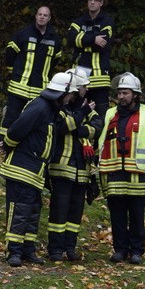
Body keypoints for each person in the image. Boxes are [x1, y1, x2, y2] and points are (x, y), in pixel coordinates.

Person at [0, 71, 78, 266]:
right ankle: (14, 252)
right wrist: (8, 146)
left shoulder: (52, 109)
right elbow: (15, 131)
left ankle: (28, 250)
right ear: (62, 92)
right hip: (22, 169)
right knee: (19, 211)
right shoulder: (39, 107)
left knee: (33, 211)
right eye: (70, 95)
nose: (70, 99)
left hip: (36, 171)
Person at [96, 72, 145, 265]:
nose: (121, 97)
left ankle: (136, 251)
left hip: (139, 174)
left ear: (135, 94)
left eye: (125, 93)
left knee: (136, 215)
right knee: (117, 215)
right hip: (114, 172)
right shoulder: (110, 114)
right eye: (119, 93)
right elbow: (100, 142)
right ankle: (120, 250)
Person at [47, 67, 99, 261]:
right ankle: (55, 250)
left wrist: (81, 130)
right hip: (62, 169)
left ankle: (70, 248)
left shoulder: (87, 108)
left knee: (76, 213)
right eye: (84, 87)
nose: (87, 90)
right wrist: (81, 117)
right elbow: (61, 128)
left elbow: (98, 126)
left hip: (82, 170)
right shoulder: (62, 108)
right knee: (58, 213)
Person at [0, 6, 63, 142]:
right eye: (39, 14)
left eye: (45, 15)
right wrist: (14, 70)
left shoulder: (54, 39)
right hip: (19, 84)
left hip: (39, 88)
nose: (42, 17)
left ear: (49, 18)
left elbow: (55, 60)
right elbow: (10, 52)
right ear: (35, 16)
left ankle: (25, 144)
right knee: (12, 115)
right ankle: (2, 142)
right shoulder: (23, 33)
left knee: (33, 118)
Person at [68, 0, 114, 117]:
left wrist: (82, 41)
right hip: (80, 77)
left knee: (101, 116)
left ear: (101, 3)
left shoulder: (107, 21)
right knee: (79, 114)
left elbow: (103, 42)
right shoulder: (78, 21)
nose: (92, 2)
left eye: (96, 0)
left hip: (100, 78)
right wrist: (93, 39)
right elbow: (71, 39)